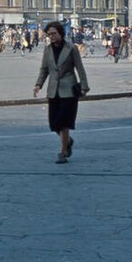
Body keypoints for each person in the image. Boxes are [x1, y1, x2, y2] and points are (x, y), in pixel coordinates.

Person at [33, 20, 90, 164]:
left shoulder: (71, 48)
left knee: (63, 123)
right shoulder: (48, 49)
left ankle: (62, 152)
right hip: (53, 90)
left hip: (68, 90)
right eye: (49, 34)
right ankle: (68, 141)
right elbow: (44, 69)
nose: (51, 36)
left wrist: (84, 86)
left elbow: (80, 68)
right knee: (53, 124)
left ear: (60, 33)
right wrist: (38, 84)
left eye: (53, 33)